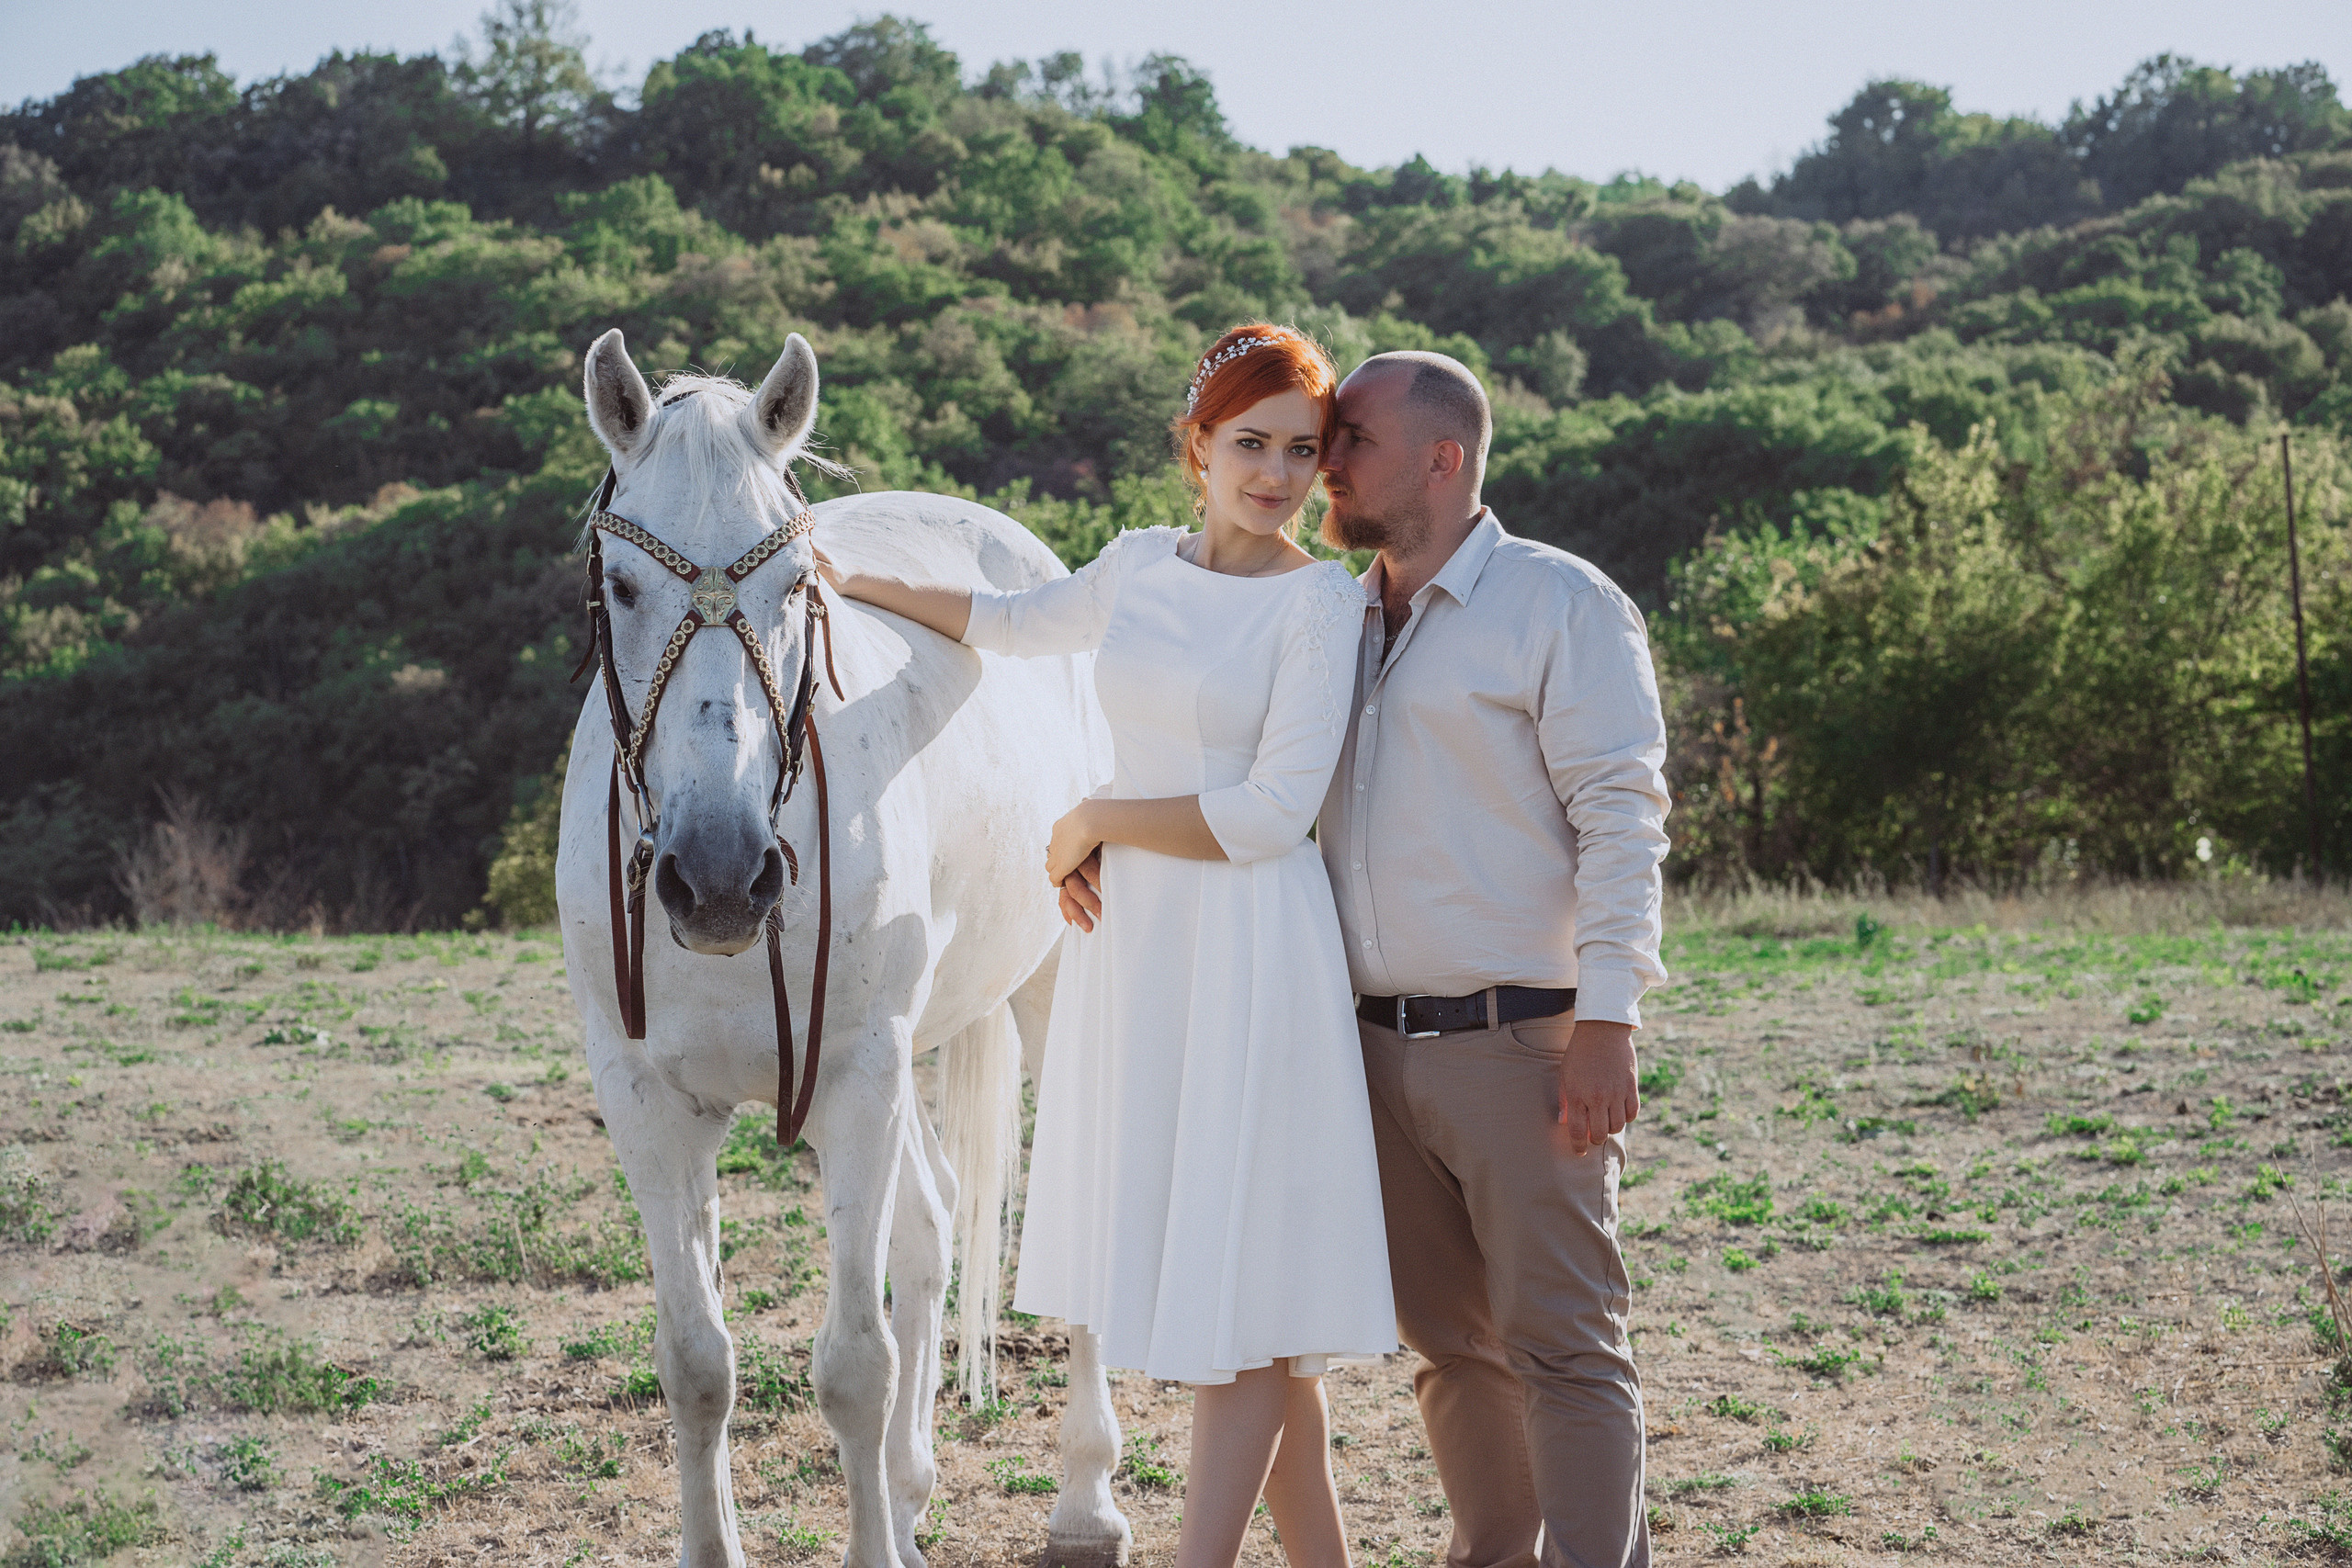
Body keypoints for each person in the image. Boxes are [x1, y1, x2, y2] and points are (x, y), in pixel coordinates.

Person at [821, 323, 1396, 1568]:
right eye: (1250, 444)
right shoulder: (1138, 566)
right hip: (1145, 955)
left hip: (1253, 955)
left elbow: (1269, 812)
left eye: (1301, 451)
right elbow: (1011, 623)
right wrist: (851, 581)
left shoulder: (1320, 603)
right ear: (1197, 448)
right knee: (1248, 1313)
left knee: (1246, 1309)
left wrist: (1088, 819)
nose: (1275, 474)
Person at [1316, 351, 1670, 1568]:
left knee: (1565, 1343)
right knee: (1451, 1346)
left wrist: (1608, 1017)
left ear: (1441, 458)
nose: (1327, 458)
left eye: (1350, 436)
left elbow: (1623, 813)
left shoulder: (1560, 604)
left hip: (1526, 1047)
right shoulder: (1333, 615)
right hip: (1371, 1050)